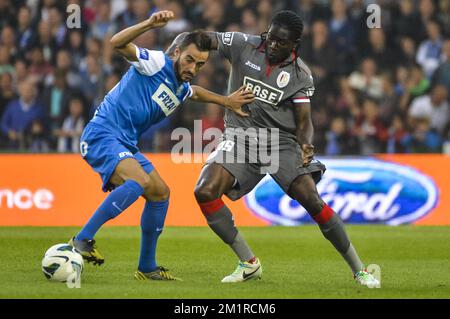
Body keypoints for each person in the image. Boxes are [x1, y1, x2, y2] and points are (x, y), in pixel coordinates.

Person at [194, 10, 379, 287]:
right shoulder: (244, 43)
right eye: (270, 37)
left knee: (312, 200)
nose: (271, 45)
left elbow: (304, 121)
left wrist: (305, 143)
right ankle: (248, 263)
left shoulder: (300, 74)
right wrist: (184, 48)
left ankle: (359, 270)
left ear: (295, 44)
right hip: (240, 136)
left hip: (280, 143)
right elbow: (204, 39)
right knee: (205, 191)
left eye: (280, 42)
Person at [69, 11, 254, 281]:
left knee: (160, 193)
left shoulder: (181, 85)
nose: (193, 68)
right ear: (176, 52)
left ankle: (147, 267)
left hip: (124, 142)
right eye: (189, 59)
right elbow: (116, 43)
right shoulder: (156, 62)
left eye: (200, 64)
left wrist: (226, 101)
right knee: (139, 180)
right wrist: (148, 24)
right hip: (102, 134)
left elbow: (194, 92)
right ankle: (82, 239)